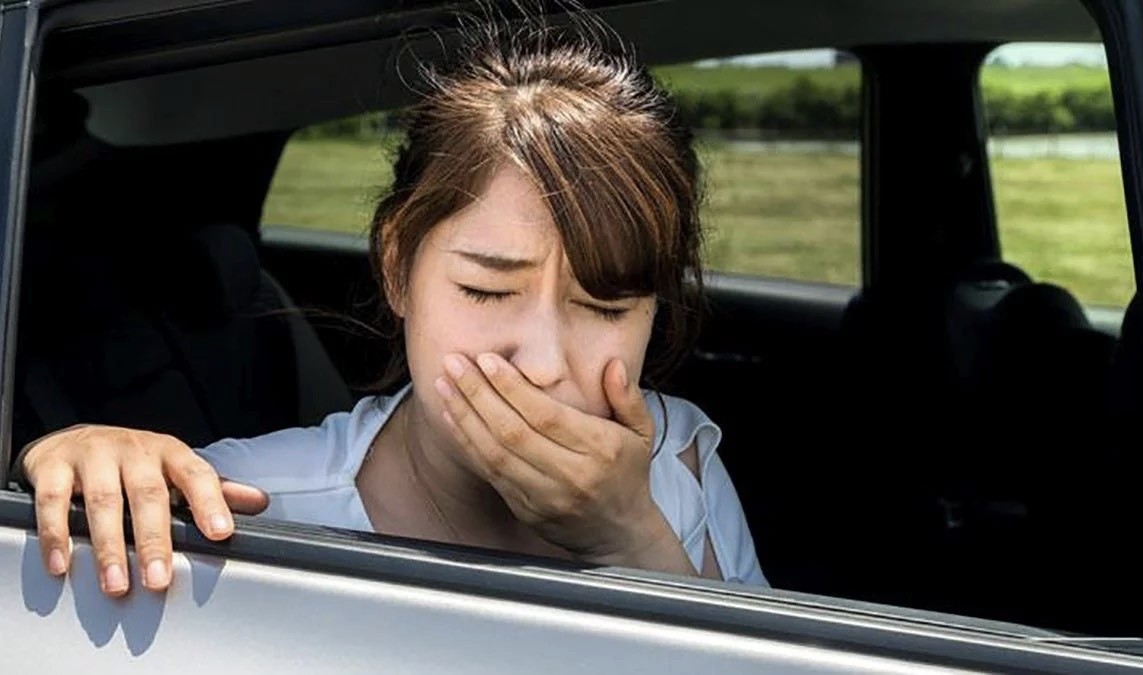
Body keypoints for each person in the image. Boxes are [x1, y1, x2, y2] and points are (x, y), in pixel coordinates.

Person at [16, 16, 768, 598]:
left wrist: (632, 536)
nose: (542, 364)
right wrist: (76, 460)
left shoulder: (682, 463)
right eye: (486, 289)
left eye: (606, 306)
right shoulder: (242, 504)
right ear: (398, 266)